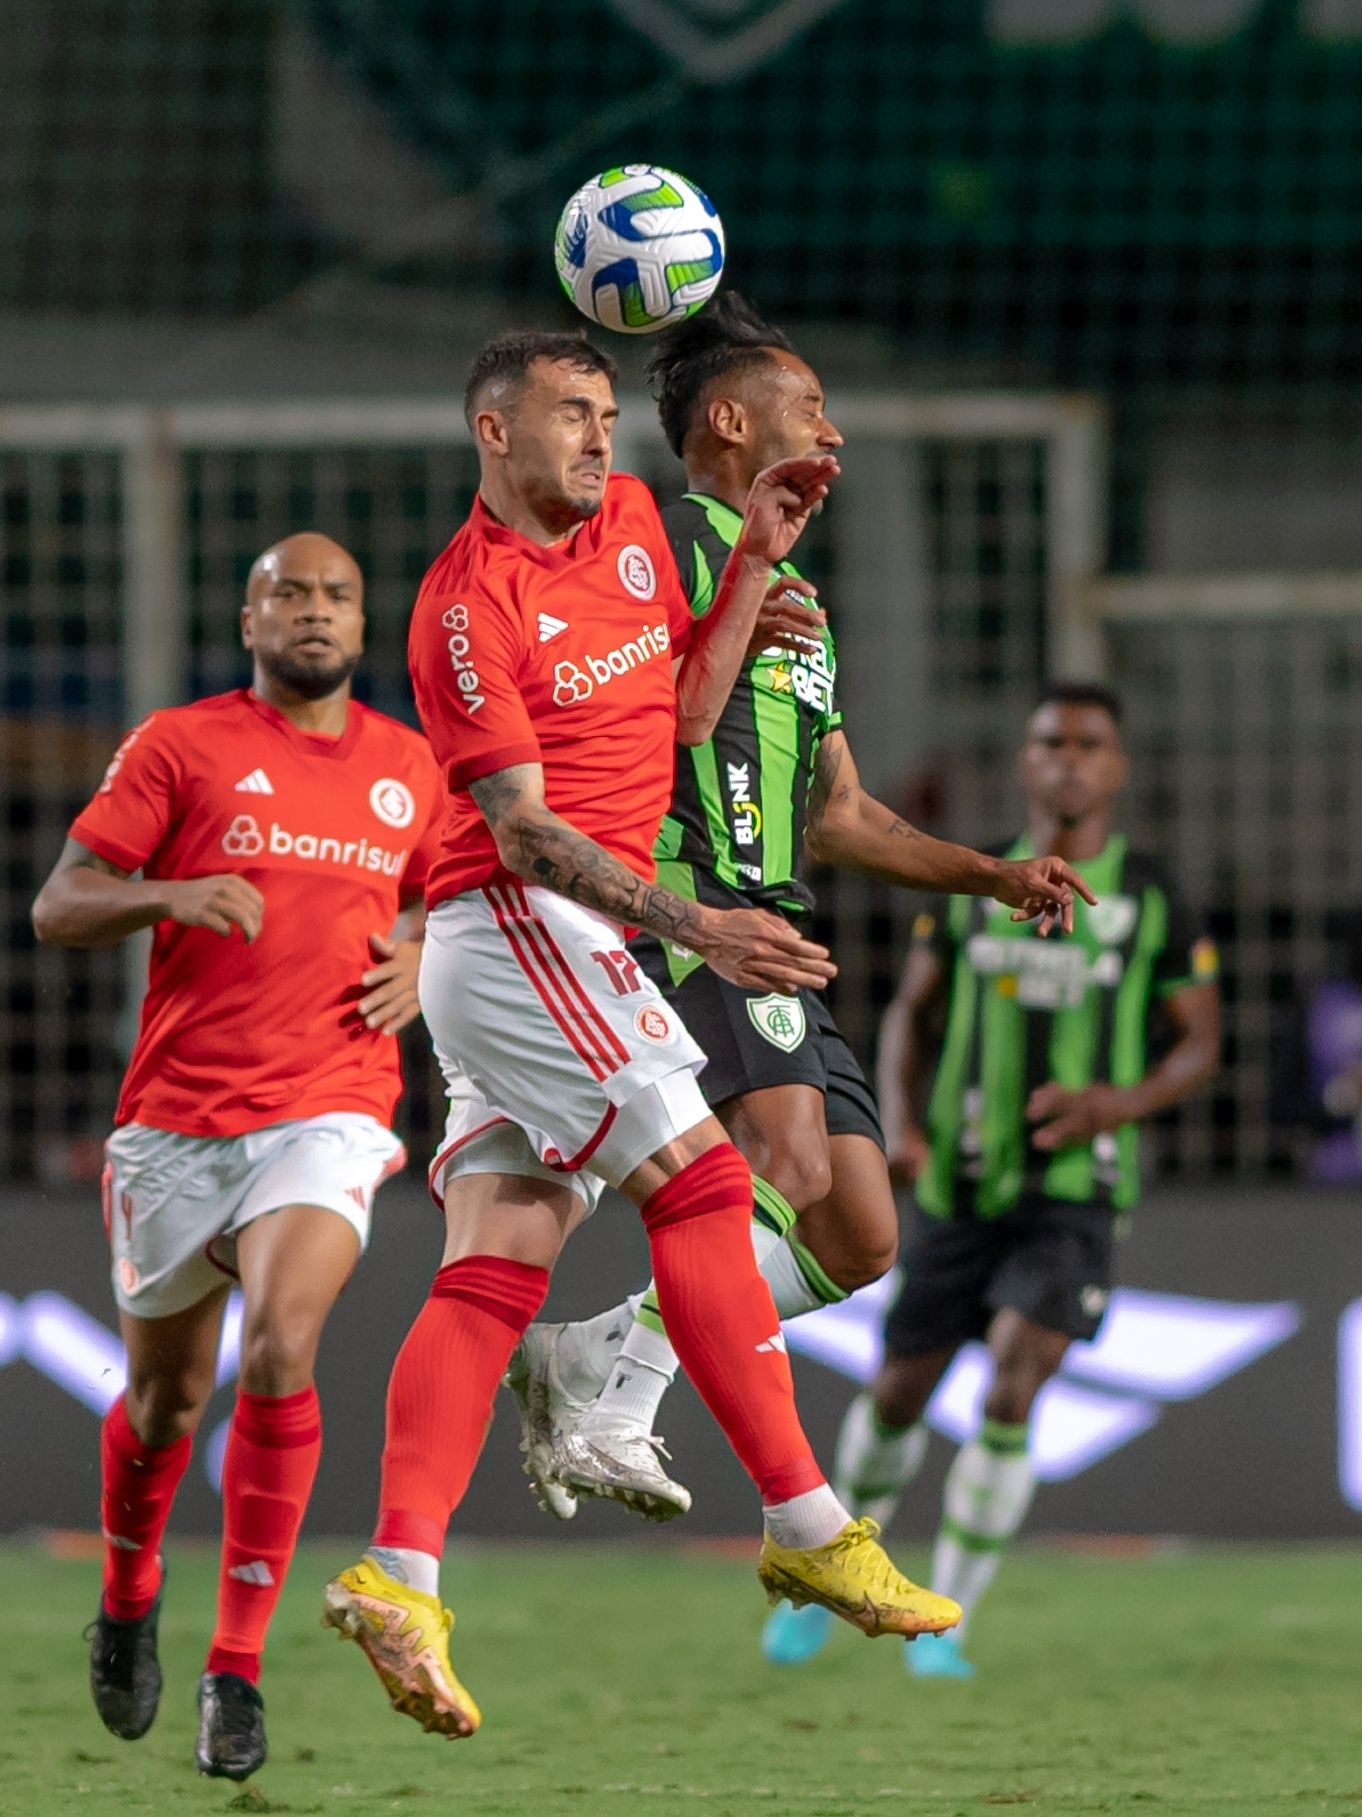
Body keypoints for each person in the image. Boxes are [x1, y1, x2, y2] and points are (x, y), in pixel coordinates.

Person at [319, 327, 1010, 1739]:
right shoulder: (466, 604)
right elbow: (517, 829)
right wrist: (701, 926)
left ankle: (398, 1574)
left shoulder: (637, 525)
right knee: (702, 1182)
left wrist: (749, 564)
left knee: (497, 1266)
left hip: (560, 943)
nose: (594, 436)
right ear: (491, 437)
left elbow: (687, 710)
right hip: (517, 926)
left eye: (599, 411)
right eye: (564, 415)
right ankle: (809, 1520)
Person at [506, 293, 1094, 1526]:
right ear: (729, 420)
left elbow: (841, 814)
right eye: (810, 404)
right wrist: (728, 606)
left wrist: (995, 872)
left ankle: (584, 1349)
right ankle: (620, 1408)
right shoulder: (652, 543)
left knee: (860, 1235)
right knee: (781, 1157)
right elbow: (641, 716)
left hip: (777, 915)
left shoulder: (799, 601)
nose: (832, 428)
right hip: (688, 899)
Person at [31, 534, 443, 1779]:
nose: (313, 612)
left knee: (281, 1341)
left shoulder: (409, 765)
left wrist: (427, 955)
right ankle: (128, 1588)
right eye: (289, 593)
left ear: (363, 627)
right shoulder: (179, 745)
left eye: (336, 596)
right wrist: (170, 895)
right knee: (166, 1406)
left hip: (330, 1107)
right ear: (249, 616)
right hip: (175, 1123)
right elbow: (61, 903)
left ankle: (236, 1666)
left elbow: (451, 899)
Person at [767, 682, 1221, 1671]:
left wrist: (1114, 1102)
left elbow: (1200, 1044)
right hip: (959, 1183)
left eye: (1088, 744)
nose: (1068, 759)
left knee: (1015, 1385)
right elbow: (910, 1016)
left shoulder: (1151, 895)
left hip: (1079, 1187)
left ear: (1118, 765)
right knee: (897, 1391)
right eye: (1050, 742)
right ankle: (823, 1578)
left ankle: (946, 1620)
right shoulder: (985, 883)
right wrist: (899, 1128)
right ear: (1026, 761)